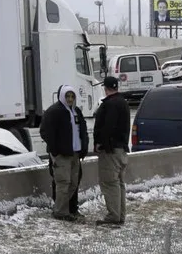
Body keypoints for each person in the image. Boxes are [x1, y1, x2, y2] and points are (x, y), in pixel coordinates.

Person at [40, 85, 89, 221]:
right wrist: (55, 150)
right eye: (67, 96)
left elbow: (83, 130)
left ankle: (62, 207)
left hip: (75, 153)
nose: (70, 99)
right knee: (63, 182)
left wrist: (84, 147)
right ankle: (61, 212)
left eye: (72, 96)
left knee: (74, 182)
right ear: (62, 96)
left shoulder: (76, 111)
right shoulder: (54, 111)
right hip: (62, 155)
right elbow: (45, 132)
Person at [93, 76, 130, 226]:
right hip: (121, 149)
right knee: (119, 183)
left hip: (110, 151)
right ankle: (120, 215)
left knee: (110, 182)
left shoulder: (109, 105)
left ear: (105, 88)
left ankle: (113, 216)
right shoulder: (123, 102)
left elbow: (107, 127)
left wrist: (100, 143)